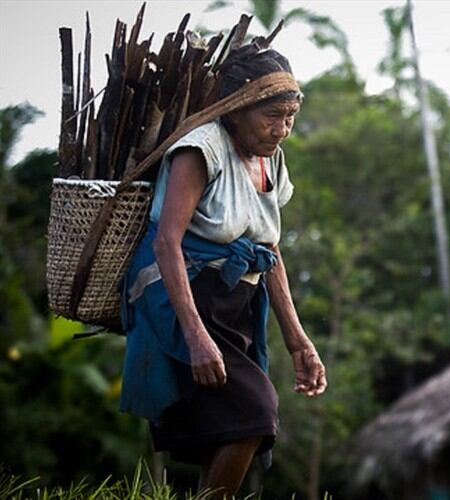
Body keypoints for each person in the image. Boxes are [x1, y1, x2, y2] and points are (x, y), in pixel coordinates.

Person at [119, 42, 326, 498]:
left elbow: (268, 248)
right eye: (272, 116)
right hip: (183, 296)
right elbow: (166, 241)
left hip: (237, 303)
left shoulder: (271, 158)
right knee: (255, 411)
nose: (282, 130)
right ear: (237, 109)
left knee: (231, 426)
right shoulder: (200, 150)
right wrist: (194, 337)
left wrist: (299, 342)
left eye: (290, 117)